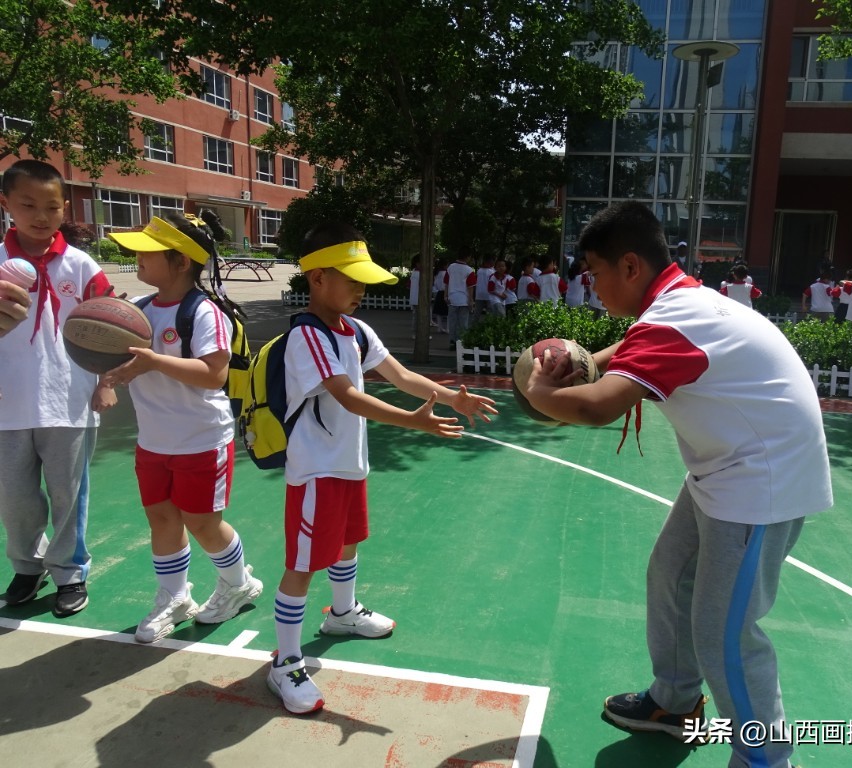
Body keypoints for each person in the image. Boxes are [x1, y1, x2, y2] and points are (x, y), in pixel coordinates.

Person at [521, 202, 831, 768]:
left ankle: (766, 759)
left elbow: (598, 408)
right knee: (672, 573)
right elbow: (615, 359)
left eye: (595, 272)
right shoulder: (675, 305)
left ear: (631, 266)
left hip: (760, 484)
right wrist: (574, 360)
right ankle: (675, 702)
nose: (591, 286)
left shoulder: (677, 318)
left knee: (725, 634)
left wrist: (540, 396)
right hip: (729, 469)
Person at [267, 221, 498, 714]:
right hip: (315, 470)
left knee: (349, 542)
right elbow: (348, 397)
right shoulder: (307, 336)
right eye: (351, 278)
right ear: (317, 277)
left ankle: (343, 613)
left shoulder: (356, 329)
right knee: (303, 565)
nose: (360, 287)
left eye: (362, 278)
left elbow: (402, 374)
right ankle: (284, 662)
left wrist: (450, 398)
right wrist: (413, 422)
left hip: (349, 464)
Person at [104, 214, 263, 643]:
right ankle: (174, 596)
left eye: (147, 251)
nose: (136, 255)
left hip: (201, 438)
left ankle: (238, 583)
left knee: (203, 523)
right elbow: (116, 358)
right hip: (154, 440)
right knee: (161, 518)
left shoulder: (205, 312)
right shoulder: (136, 309)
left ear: (180, 262)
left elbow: (213, 374)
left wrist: (155, 360)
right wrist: (108, 376)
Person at [0, 159, 116, 617]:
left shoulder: (81, 264)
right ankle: (28, 567)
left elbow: (110, 331)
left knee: (69, 494)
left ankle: (69, 572)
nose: (40, 215)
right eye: (28, 204)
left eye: (51, 206)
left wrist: (106, 382)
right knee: (15, 498)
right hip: (8, 404)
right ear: (6, 204)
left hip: (70, 401)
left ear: (63, 207)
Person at [444, 249, 476, 350]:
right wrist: (471, 300)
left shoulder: (451, 267)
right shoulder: (469, 270)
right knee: (463, 322)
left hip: (452, 297)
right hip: (464, 299)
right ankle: (461, 342)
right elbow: (470, 286)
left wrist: (445, 295)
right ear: (467, 257)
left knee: (452, 321)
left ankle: (452, 341)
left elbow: (446, 282)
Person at [474, 256, 495, 322]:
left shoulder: (479, 271)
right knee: (490, 312)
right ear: (491, 263)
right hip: (489, 294)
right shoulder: (492, 272)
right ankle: (488, 327)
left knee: (477, 312)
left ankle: (473, 328)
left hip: (479, 294)